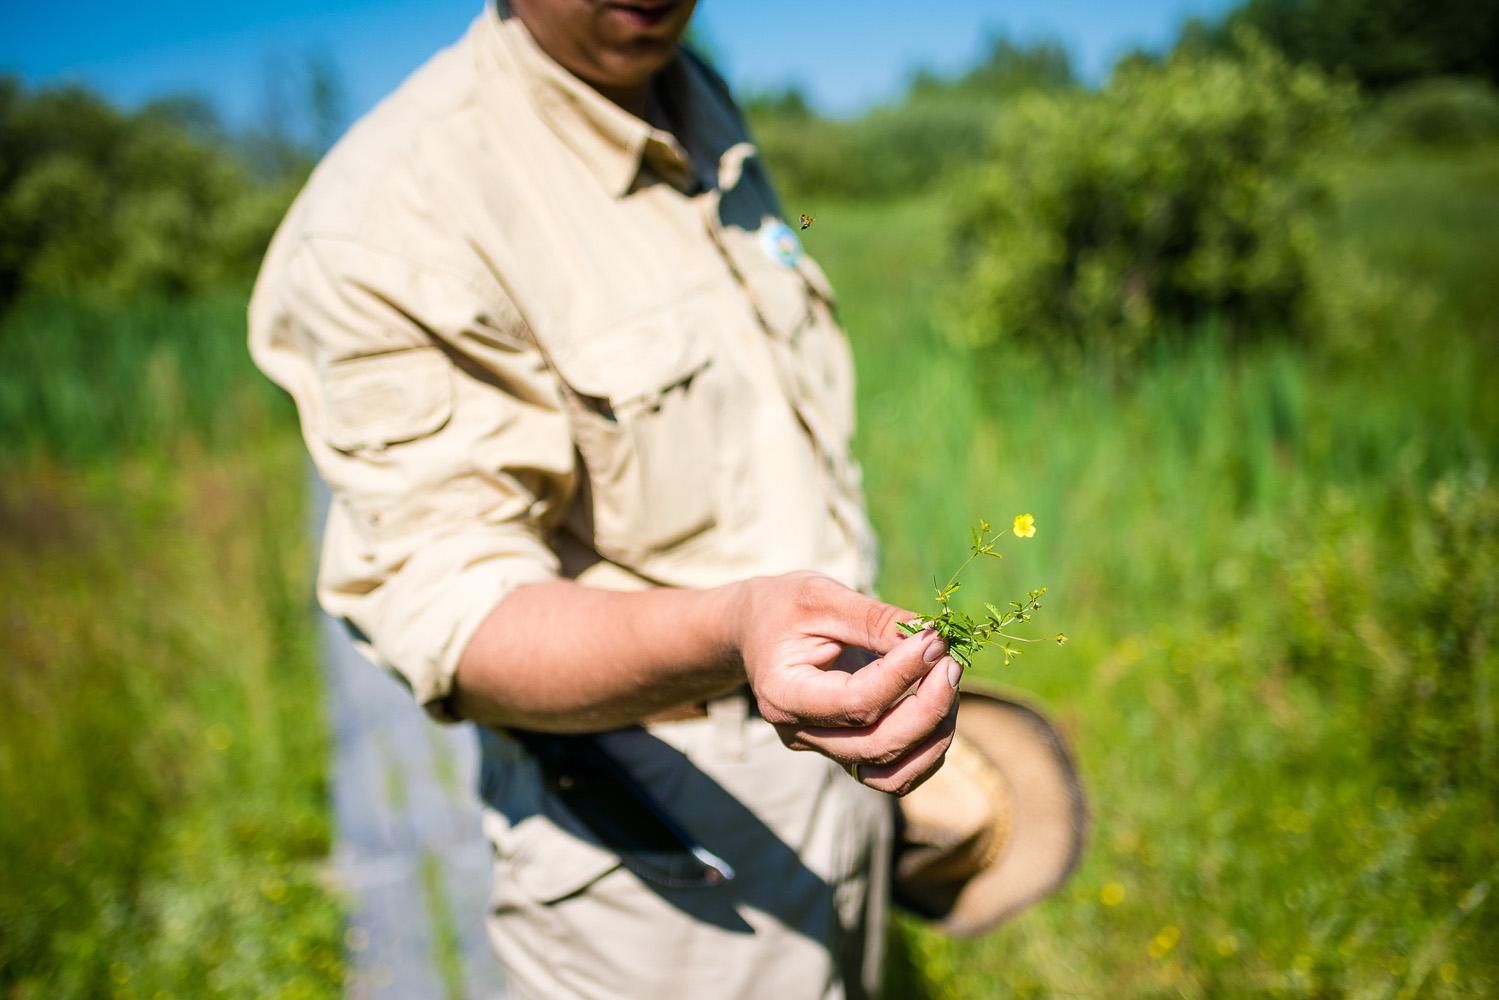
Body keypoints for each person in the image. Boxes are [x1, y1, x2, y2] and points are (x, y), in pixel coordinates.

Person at [249, 1, 963, 996]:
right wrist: (736, 629)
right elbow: (459, 620)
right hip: (658, 861)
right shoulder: (389, 218)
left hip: (839, 785)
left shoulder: (687, 94)